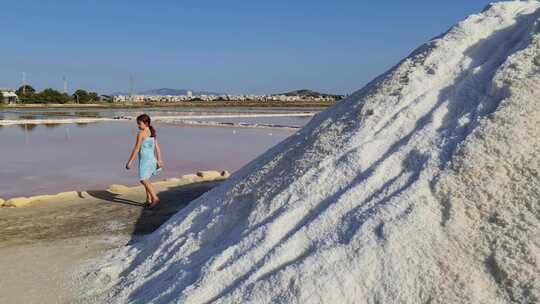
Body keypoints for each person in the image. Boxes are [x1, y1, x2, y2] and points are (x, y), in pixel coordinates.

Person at [125, 114, 164, 208]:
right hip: (152, 159)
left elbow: (136, 148)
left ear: (146, 123)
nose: (138, 126)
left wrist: (130, 162)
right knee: (147, 179)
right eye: (137, 124)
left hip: (145, 160)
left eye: (139, 123)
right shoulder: (152, 131)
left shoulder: (141, 133)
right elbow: (157, 148)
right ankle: (149, 199)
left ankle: (155, 198)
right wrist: (159, 159)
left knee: (143, 179)